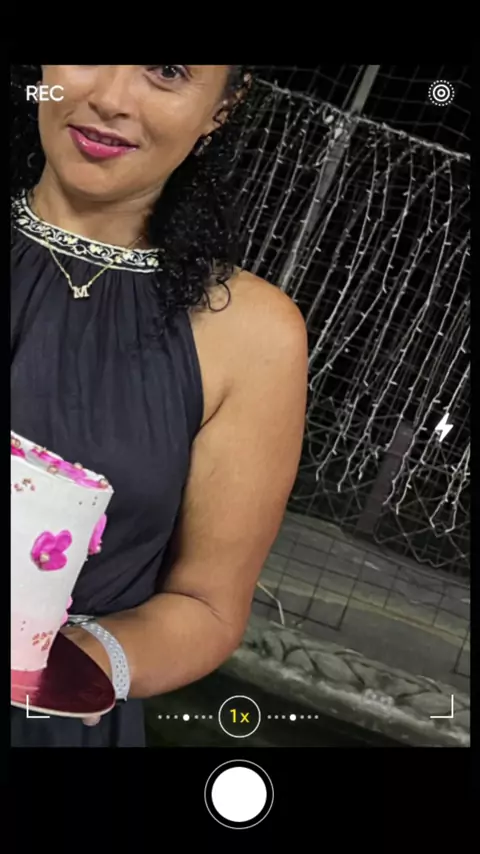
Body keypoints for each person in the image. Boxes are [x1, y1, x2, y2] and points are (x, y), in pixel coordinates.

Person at [10, 65, 308, 747]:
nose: (110, 98)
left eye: (167, 71)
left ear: (222, 108)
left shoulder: (253, 334)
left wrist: (73, 663)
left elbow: (206, 606)